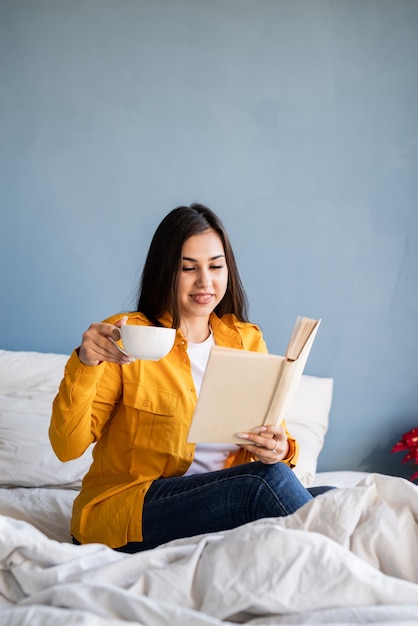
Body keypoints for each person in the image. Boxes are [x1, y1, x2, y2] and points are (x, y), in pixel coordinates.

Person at [50, 203, 329, 553]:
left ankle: (339, 563)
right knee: (264, 486)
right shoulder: (125, 335)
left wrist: (279, 448)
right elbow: (66, 447)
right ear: (165, 271)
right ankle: (342, 568)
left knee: (335, 502)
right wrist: (85, 362)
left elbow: (277, 439)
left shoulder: (246, 340)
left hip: (215, 502)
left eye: (215, 266)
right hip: (130, 509)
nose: (205, 282)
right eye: (188, 268)